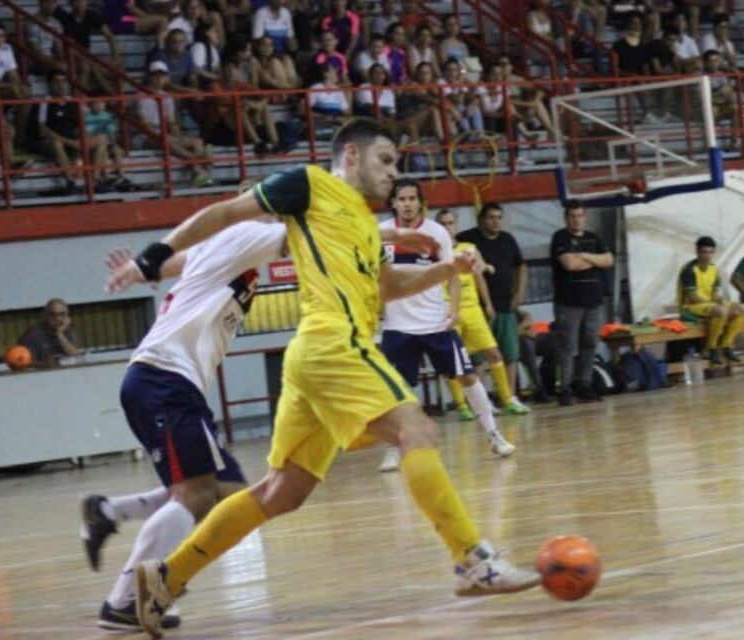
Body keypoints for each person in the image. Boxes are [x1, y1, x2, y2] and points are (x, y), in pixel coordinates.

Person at [107, 118, 539, 637]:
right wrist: (151, 256)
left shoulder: (358, 221)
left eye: (397, 164)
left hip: (312, 358)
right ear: (351, 157)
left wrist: (446, 272)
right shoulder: (310, 184)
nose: (394, 173)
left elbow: (384, 286)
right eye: (385, 161)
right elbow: (224, 211)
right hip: (335, 343)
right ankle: (472, 559)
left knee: (281, 492)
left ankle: (165, 580)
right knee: (416, 431)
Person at [85, 220, 285, 630]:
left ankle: (109, 511)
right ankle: (126, 600)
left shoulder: (225, 252)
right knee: (195, 494)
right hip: (165, 380)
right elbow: (310, 234)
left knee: (228, 493)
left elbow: (175, 262)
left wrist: (142, 268)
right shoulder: (247, 234)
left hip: (166, 382)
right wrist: (393, 235)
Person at [377, 182, 516, 472]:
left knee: (466, 376)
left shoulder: (436, 233)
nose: (407, 203)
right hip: (397, 326)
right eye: (401, 199)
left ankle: (494, 435)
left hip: (435, 322)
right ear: (393, 203)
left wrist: (453, 311)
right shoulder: (380, 233)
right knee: (397, 391)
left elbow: (453, 274)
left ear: (420, 202)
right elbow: (371, 275)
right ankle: (395, 448)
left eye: (412, 199)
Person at [435, 209, 532, 417]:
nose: (447, 227)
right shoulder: (433, 253)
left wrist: (487, 303)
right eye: (443, 223)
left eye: (451, 223)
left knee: (494, 354)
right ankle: (462, 406)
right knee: (453, 361)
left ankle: (508, 399)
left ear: (456, 225)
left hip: (473, 310)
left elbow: (479, 275)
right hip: (449, 311)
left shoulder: (468, 248)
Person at [457, 202, 527, 398]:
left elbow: (521, 266)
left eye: (499, 217)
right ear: (481, 219)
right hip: (477, 308)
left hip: (505, 306)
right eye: (491, 217)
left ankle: (510, 397)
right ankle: (480, 400)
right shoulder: (467, 239)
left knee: (509, 354)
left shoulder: (507, 240)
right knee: (478, 358)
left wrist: (519, 293)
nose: (496, 221)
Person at [550, 200, 613, 406]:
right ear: (566, 218)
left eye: (580, 216)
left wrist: (584, 255)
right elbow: (569, 264)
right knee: (568, 346)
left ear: (584, 217)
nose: (576, 220)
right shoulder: (561, 238)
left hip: (593, 301)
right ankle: (565, 387)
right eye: (572, 216)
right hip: (569, 302)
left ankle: (583, 384)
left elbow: (608, 260)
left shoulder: (593, 238)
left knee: (590, 343)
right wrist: (595, 260)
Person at [135, 61, 213, 187]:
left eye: (162, 75)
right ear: (150, 77)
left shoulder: (167, 97)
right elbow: (144, 126)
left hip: (161, 133)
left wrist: (178, 135)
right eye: (156, 75)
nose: (159, 79)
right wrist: (166, 135)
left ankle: (196, 172)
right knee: (167, 140)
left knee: (197, 142)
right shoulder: (141, 97)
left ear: (166, 78)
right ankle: (200, 163)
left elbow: (171, 122)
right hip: (143, 137)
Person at [677, 236, 744, 365]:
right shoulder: (689, 270)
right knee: (721, 311)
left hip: (709, 304)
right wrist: (715, 302)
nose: (708, 256)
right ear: (697, 252)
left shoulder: (714, 268)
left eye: (711, 252)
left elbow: (714, 294)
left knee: (742, 309)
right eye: (704, 252)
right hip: (690, 307)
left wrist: (720, 299)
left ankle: (726, 345)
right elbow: (692, 297)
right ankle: (711, 348)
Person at [38, 70, 109, 195]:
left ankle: (95, 180)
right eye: (57, 82)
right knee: (56, 143)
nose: (61, 85)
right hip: (53, 140)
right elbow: (42, 130)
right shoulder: (44, 102)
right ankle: (70, 181)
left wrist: (83, 137)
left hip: (74, 140)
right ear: (49, 85)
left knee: (102, 139)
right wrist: (70, 142)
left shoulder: (74, 101)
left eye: (64, 81)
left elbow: (89, 119)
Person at [55, 0, 121, 94]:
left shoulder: (91, 15)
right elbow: (69, 47)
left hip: (85, 55)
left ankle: (110, 98)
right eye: (76, 2)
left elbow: (110, 36)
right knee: (89, 67)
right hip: (70, 55)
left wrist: (115, 59)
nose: (80, 4)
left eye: (83, 1)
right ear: (71, 3)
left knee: (109, 68)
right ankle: (113, 98)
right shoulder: (66, 18)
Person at [18, 298, 83, 367]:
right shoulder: (32, 334)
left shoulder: (70, 331)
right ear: (45, 316)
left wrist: (60, 335)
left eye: (61, 314)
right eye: (52, 315)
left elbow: (76, 356)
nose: (57, 319)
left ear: (67, 316)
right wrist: (45, 364)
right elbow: (24, 362)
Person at [24, 0, 65, 76]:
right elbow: (36, 52)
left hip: (51, 58)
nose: (51, 5)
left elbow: (59, 49)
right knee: (61, 68)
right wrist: (56, 63)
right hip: (36, 62)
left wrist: (62, 60)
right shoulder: (32, 22)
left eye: (54, 2)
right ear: (41, 3)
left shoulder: (56, 23)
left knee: (81, 65)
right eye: (48, 2)